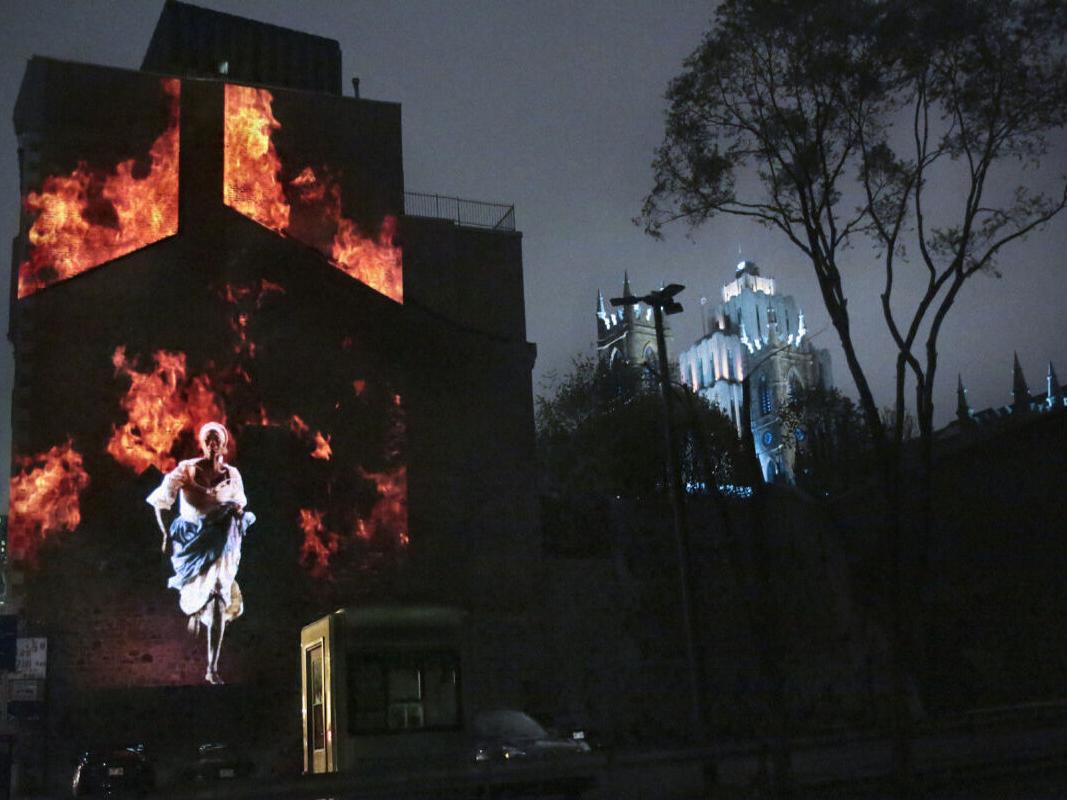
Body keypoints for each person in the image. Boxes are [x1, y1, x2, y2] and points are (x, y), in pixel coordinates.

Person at [147, 422, 255, 685]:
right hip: (192, 542)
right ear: (202, 444)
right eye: (207, 439)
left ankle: (212, 668)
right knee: (201, 596)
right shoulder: (186, 470)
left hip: (222, 540)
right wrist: (164, 532)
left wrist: (236, 515)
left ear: (224, 445)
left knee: (218, 593)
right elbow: (160, 501)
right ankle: (199, 612)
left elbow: (240, 505)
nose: (212, 443)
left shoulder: (233, 475)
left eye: (216, 438)